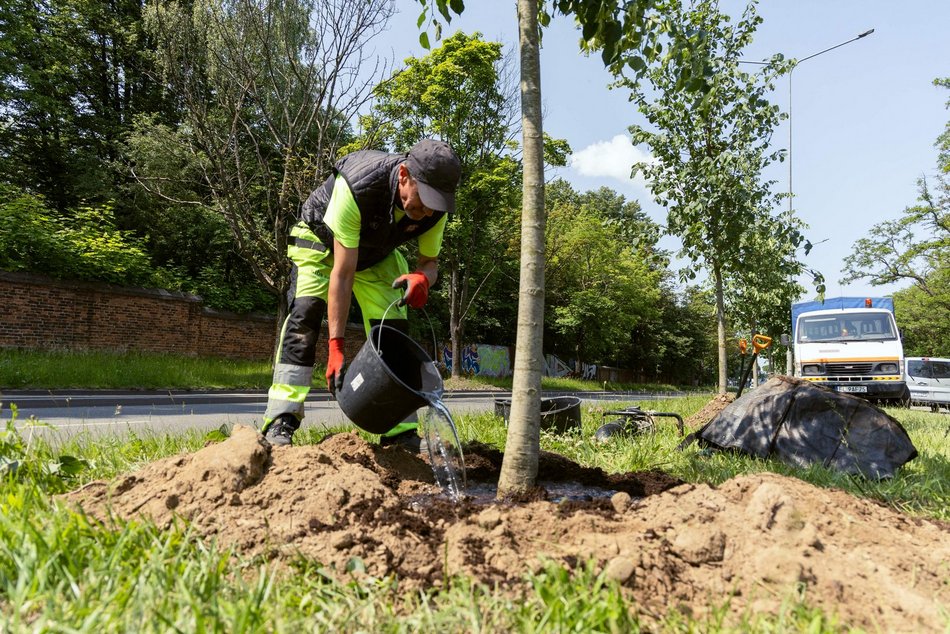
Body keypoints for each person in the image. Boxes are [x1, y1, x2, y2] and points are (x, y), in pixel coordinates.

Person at [261, 139, 461, 448]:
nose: (425, 212)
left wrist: (423, 279)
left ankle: (399, 432)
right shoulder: (359, 184)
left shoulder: (435, 209)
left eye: (436, 203)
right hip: (321, 241)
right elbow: (342, 274)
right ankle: (280, 419)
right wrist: (336, 346)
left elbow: (429, 262)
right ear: (405, 175)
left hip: (375, 253)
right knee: (305, 315)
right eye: (423, 199)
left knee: (393, 328)